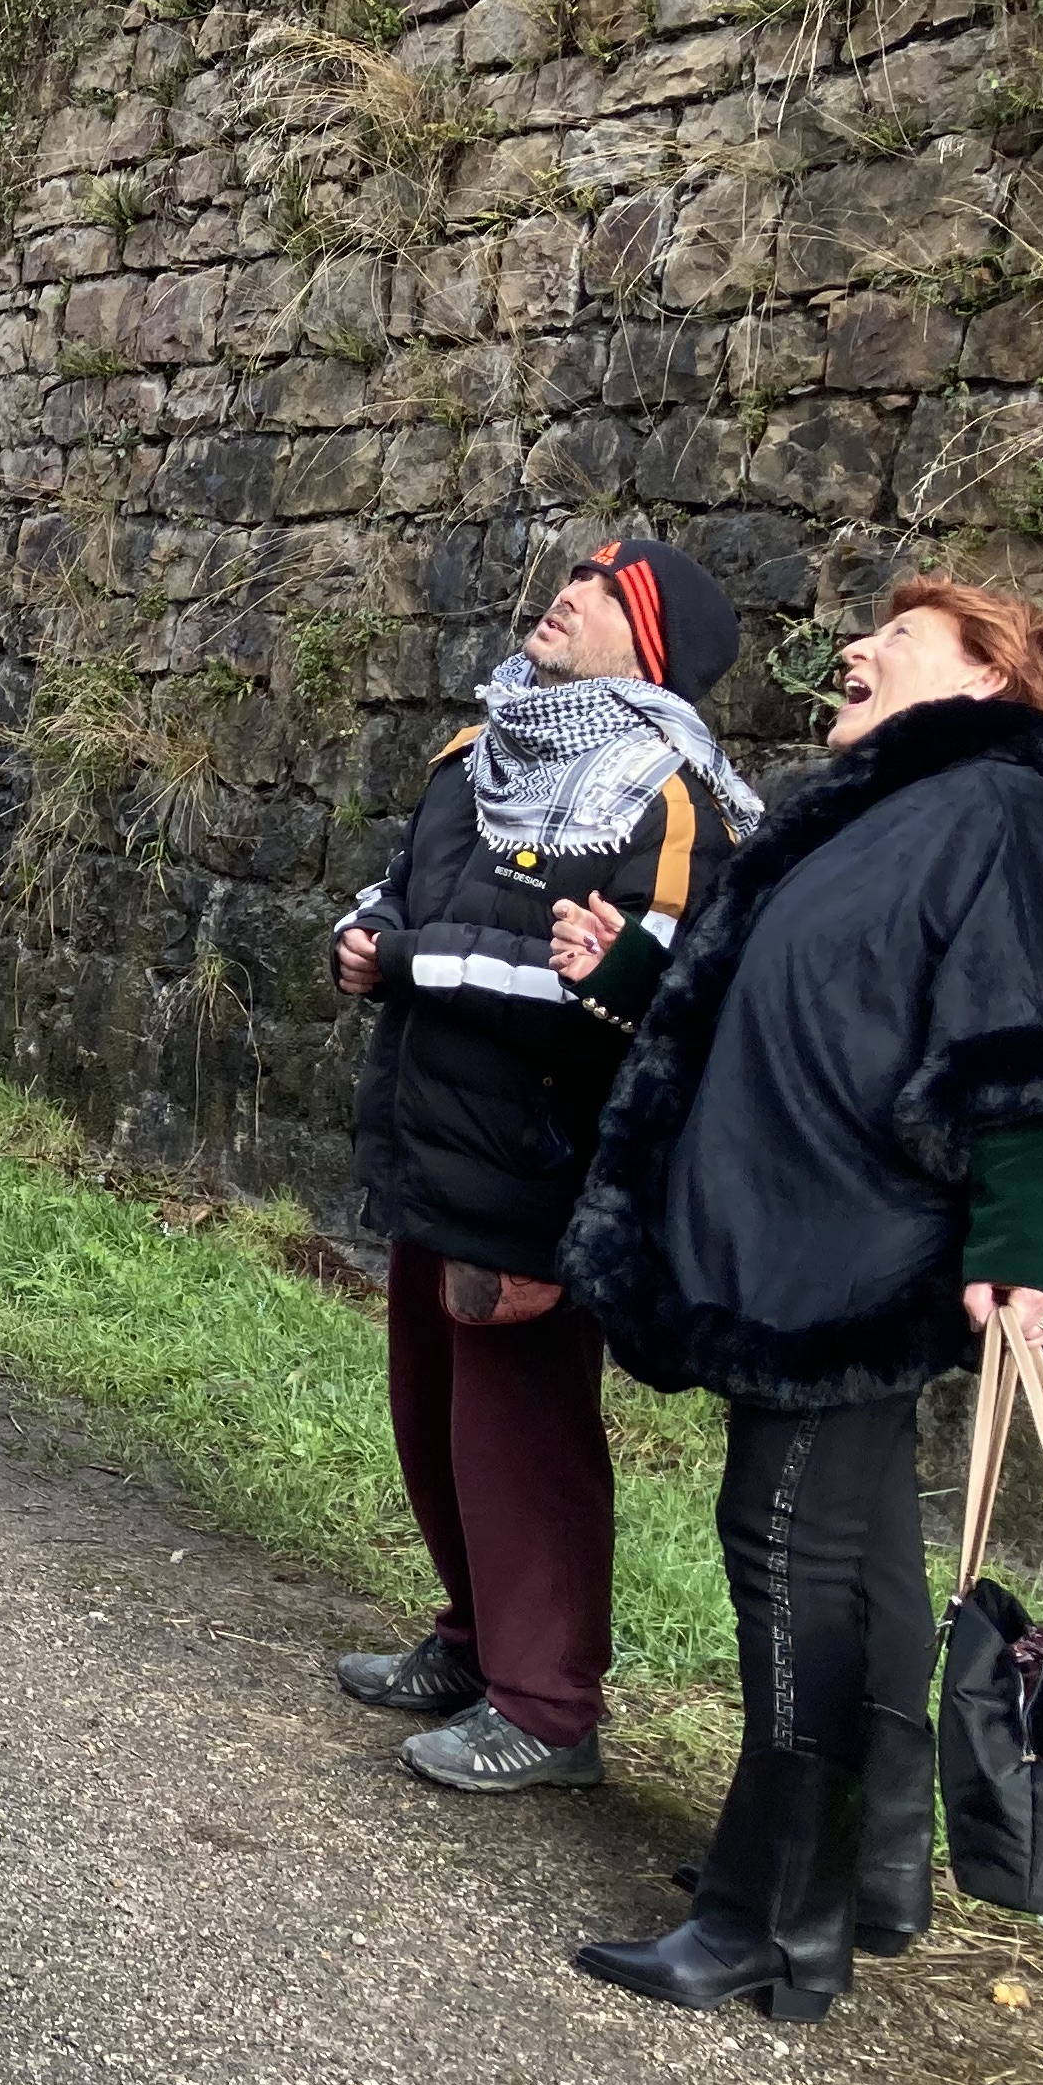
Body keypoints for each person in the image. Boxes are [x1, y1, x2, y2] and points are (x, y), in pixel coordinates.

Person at [557, 580, 1043, 2024]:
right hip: (795, 1239)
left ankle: (768, 1912)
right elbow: (799, 1002)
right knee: (862, 1567)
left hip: (856, 1259)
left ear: (993, 677)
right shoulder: (871, 819)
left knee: (788, 1554)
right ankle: (861, 1883)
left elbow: (1042, 1048)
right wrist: (639, 967)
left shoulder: (1010, 822)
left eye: (900, 637)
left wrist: (1030, 1238)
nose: (855, 647)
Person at [323, 539, 757, 1794]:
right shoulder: (476, 752)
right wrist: (360, 933)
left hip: (538, 1159)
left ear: (653, 646)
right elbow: (396, 889)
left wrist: (407, 958)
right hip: (433, 1137)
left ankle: (551, 1706)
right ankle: (471, 1642)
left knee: (527, 1436)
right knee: (436, 1415)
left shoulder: (669, 797)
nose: (568, 594)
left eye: (609, 591)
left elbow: (614, 996)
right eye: (575, 575)